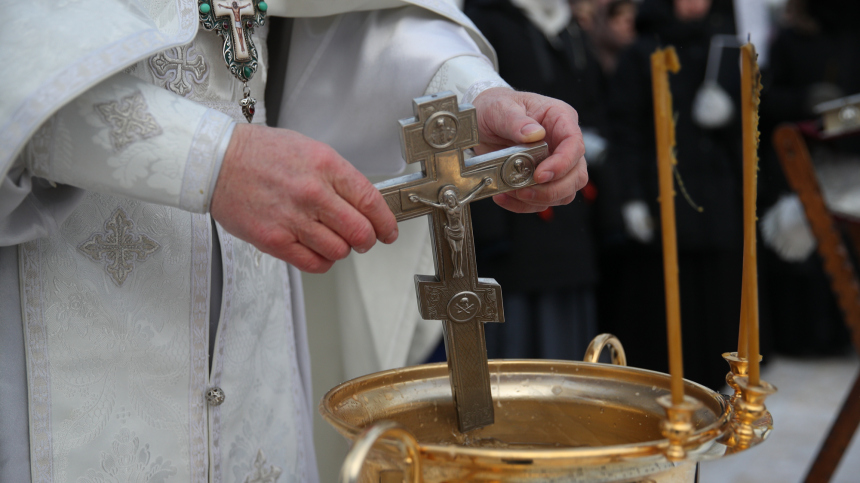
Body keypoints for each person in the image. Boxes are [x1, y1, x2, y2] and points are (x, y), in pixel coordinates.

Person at [0, 1, 588, 482]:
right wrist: (210, 158)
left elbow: (351, 21)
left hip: (259, 302)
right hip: (62, 289)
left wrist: (467, 98)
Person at [602, 0, 745, 391]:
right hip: (661, 196)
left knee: (715, 299)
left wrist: (731, 113)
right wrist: (629, 198)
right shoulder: (642, 53)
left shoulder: (726, 51)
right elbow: (625, 131)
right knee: (666, 299)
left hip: (713, 199)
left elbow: (753, 124)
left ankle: (716, 387)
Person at [464, 0, 604, 360]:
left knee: (568, 338)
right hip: (513, 221)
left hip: (569, 214)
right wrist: (489, 231)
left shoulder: (568, 27)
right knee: (519, 343)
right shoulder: (485, 17)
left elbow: (589, 96)